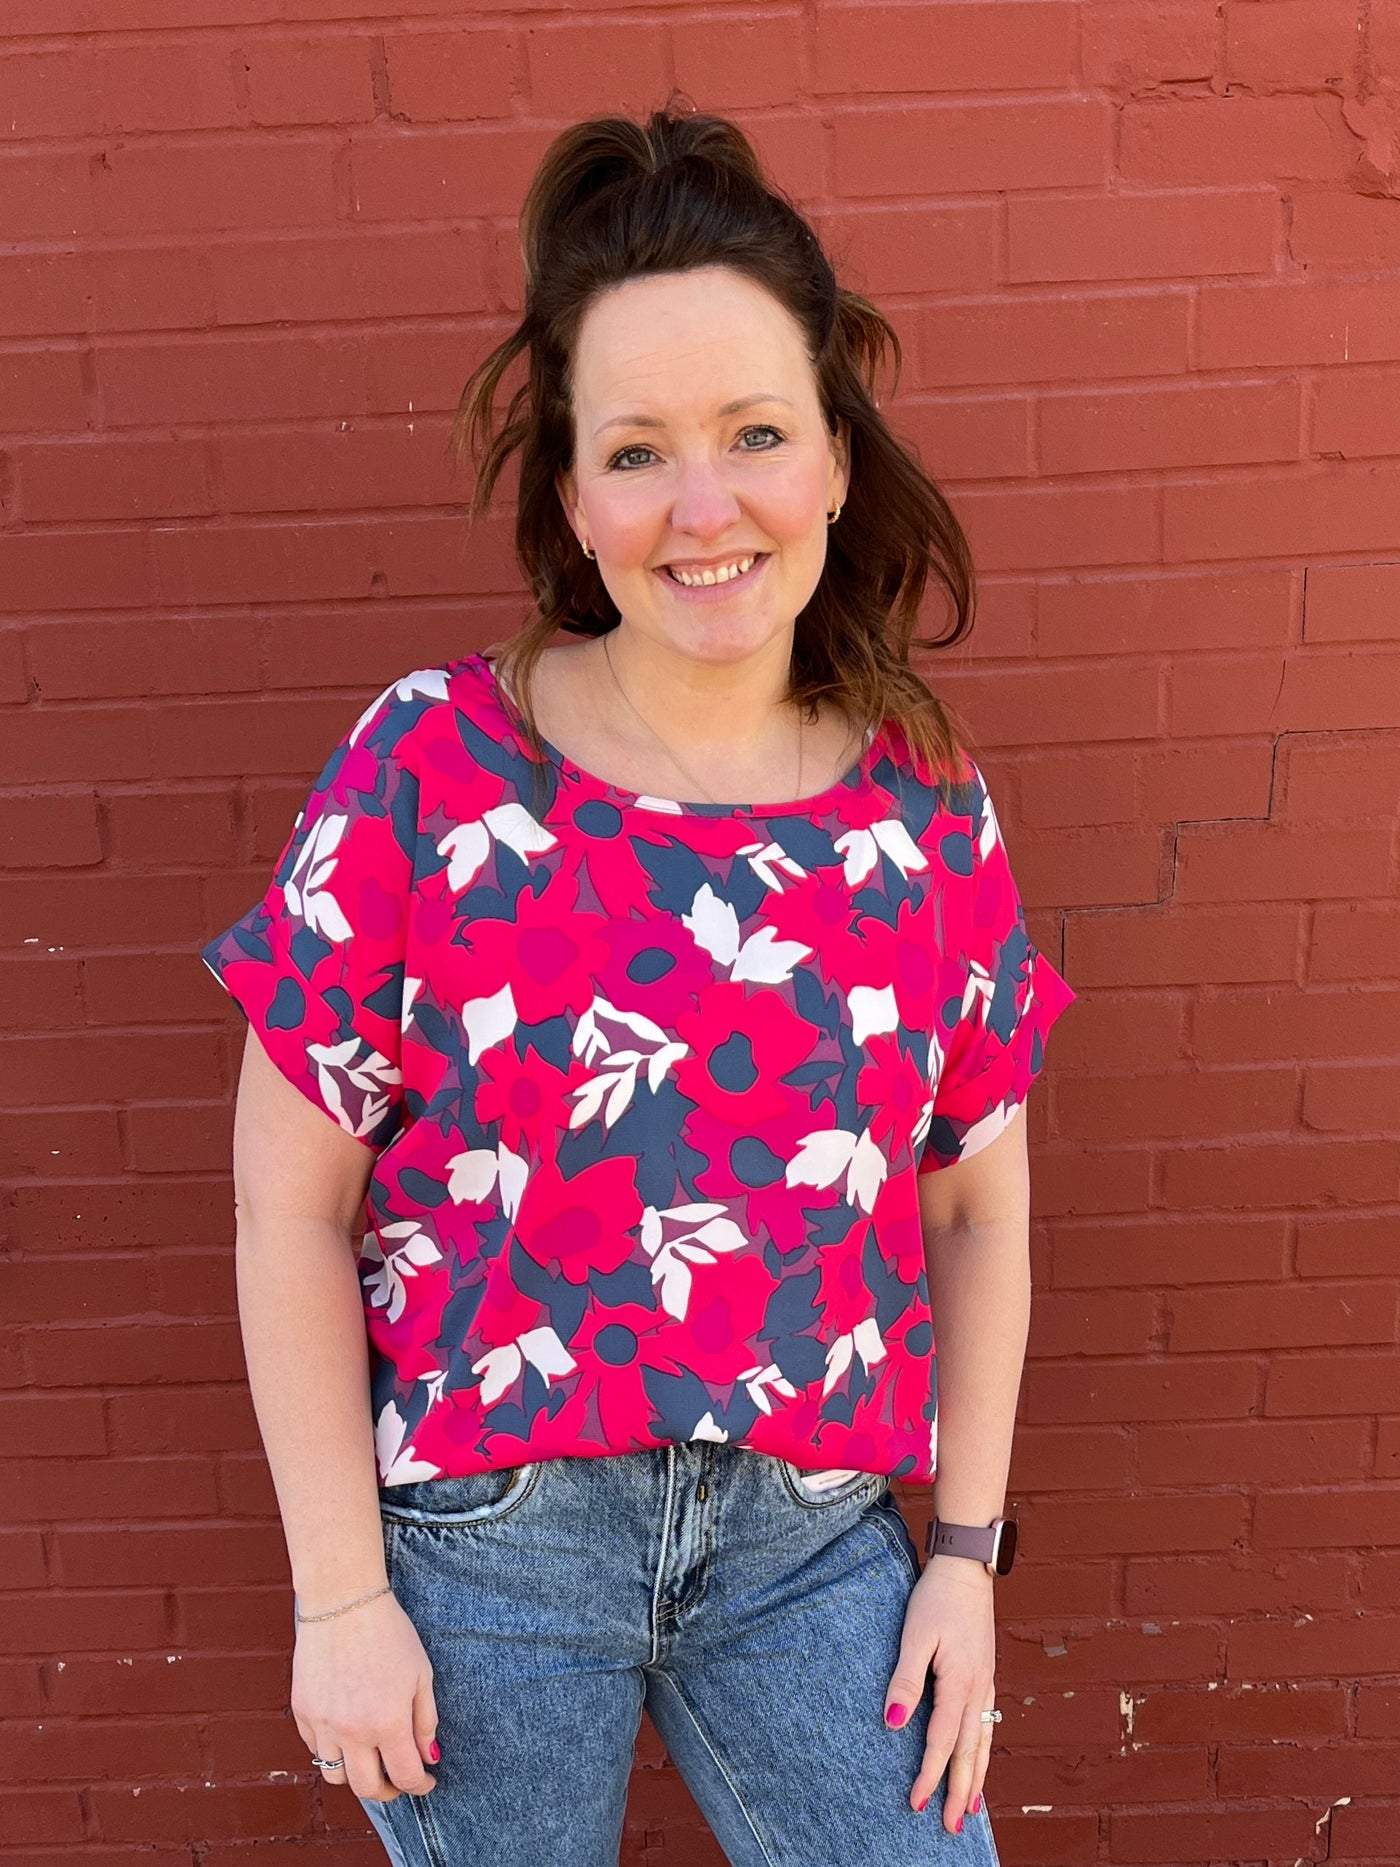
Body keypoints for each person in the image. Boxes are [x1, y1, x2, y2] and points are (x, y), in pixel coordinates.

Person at [200, 99, 1075, 1867]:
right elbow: (283, 1207)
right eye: (635, 450)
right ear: (574, 496)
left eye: (755, 433)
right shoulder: (429, 775)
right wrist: (336, 1601)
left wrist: (965, 1561)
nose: (704, 507)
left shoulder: (924, 803)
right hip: (490, 1544)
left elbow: (981, 1210)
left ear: (835, 455)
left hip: (818, 1538)